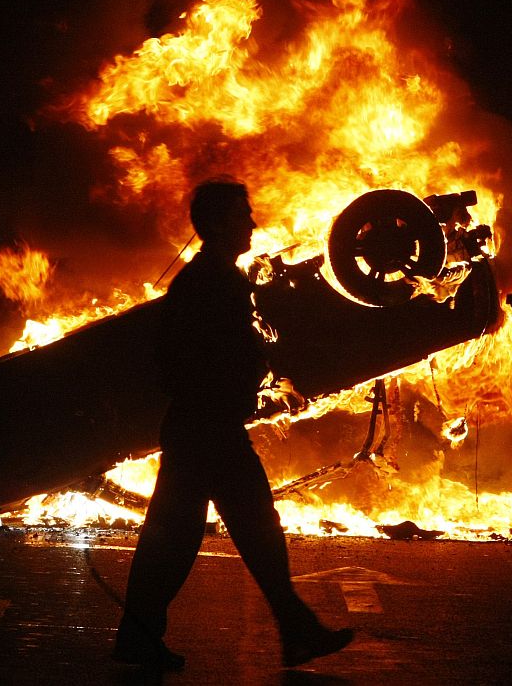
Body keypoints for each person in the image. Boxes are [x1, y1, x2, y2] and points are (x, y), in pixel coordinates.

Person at [112, 176, 354, 672]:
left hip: (205, 426)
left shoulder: (211, 278)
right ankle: (293, 631)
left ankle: (292, 631)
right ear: (220, 223)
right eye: (244, 215)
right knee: (203, 534)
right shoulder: (210, 283)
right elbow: (186, 358)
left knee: (198, 534)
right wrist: (242, 380)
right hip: (207, 428)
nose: (254, 223)